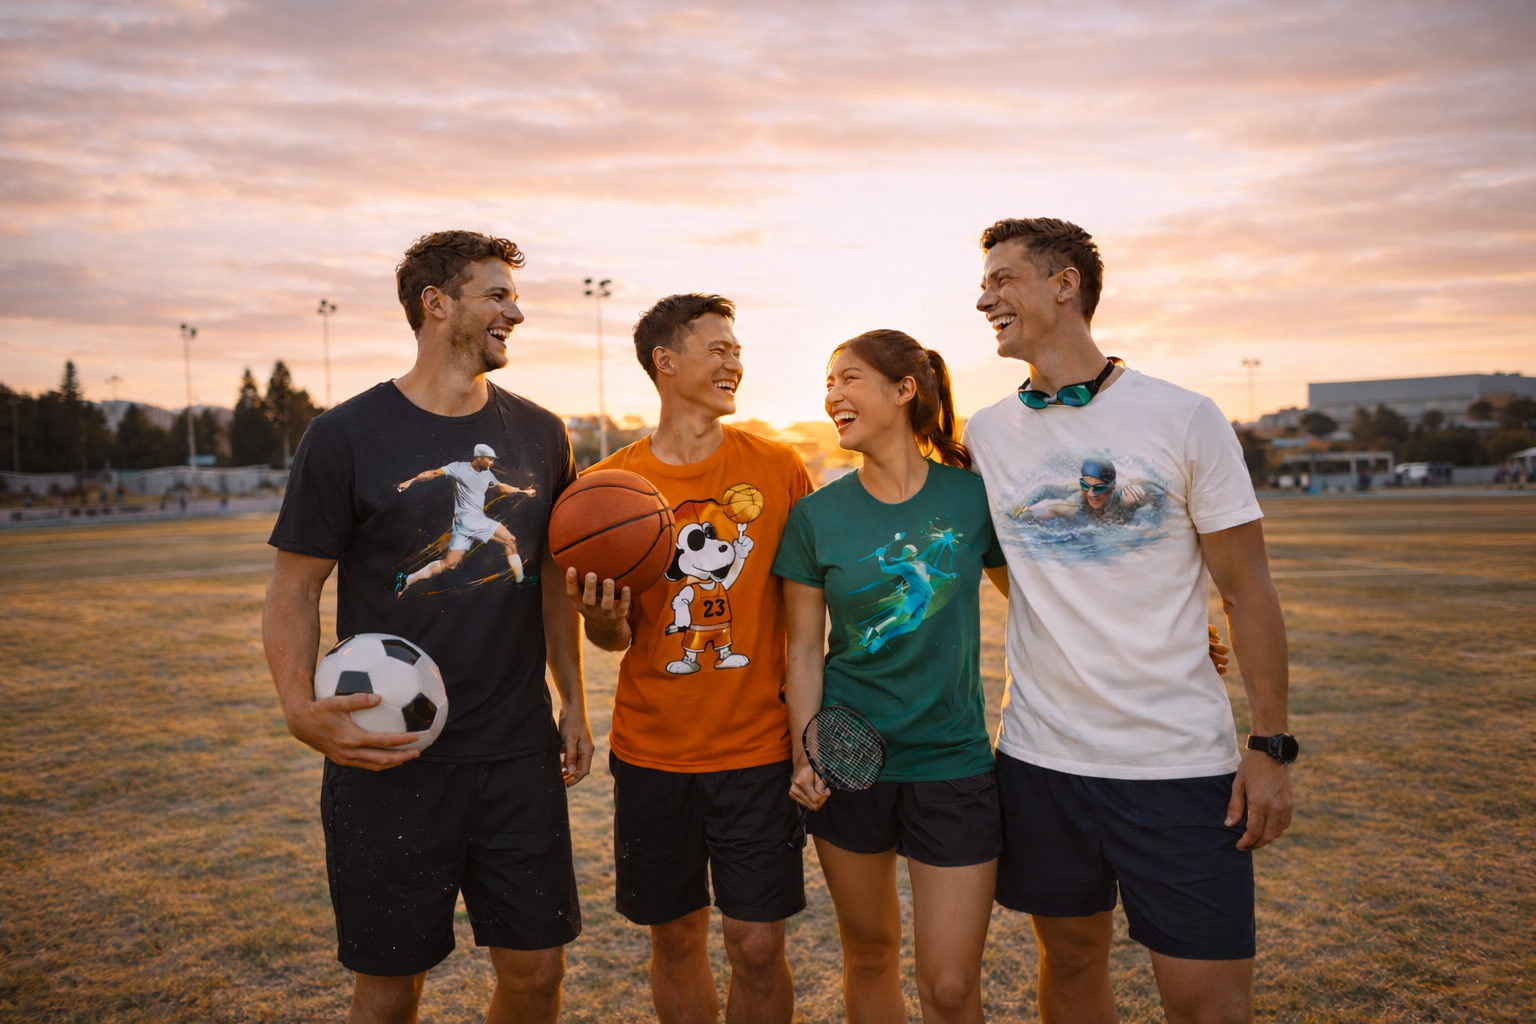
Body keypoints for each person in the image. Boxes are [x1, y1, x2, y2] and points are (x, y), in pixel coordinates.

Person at [966, 217, 1294, 1024]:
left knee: (1209, 1004)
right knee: (1071, 963)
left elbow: (1247, 589)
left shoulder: (1183, 416)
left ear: (1064, 284)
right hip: (1041, 759)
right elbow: (1006, 563)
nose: (983, 299)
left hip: (1177, 765)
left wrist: (1270, 745)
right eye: (983, 284)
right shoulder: (986, 433)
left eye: (1003, 279)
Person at [263, 230, 592, 1024]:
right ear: (435, 303)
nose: (516, 312)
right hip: (388, 751)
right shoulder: (343, 435)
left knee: (537, 973)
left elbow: (552, 581)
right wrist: (299, 708)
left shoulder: (543, 433)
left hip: (515, 749)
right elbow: (294, 589)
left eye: (515, 296)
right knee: (389, 987)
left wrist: (574, 701)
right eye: (497, 295)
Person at [568, 294, 811, 1024]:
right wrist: (601, 622)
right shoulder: (607, 491)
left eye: (738, 349)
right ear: (666, 362)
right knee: (675, 939)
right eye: (718, 348)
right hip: (653, 752)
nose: (735, 361)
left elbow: (808, 620)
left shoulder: (778, 466)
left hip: (756, 750)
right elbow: (614, 640)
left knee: (757, 944)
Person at [776, 330, 1005, 1024]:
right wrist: (806, 752)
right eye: (828, 381)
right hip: (849, 762)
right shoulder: (815, 516)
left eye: (849, 378)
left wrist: (1173, 642)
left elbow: (1041, 603)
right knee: (871, 954)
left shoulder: (973, 499)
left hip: (952, 762)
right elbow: (803, 652)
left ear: (905, 390)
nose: (832, 395)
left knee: (949, 986)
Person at [394, 442, 538, 591]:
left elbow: (500, 487)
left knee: (449, 564)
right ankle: (519, 580)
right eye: (490, 459)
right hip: (470, 521)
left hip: (468, 522)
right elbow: (432, 473)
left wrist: (522, 491)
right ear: (480, 457)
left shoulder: (487, 474)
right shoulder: (458, 468)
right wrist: (411, 481)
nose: (492, 463)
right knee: (509, 540)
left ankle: (407, 580)